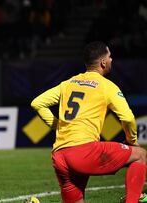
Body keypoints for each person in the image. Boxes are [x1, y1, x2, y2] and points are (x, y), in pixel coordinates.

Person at [30, 41, 146, 203]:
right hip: (83, 151)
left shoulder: (68, 83)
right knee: (140, 155)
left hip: (60, 156)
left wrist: (58, 126)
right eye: (110, 56)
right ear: (103, 62)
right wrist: (131, 141)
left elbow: (37, 103)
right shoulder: (107, 86)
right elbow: (127, 118)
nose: (112, 60)